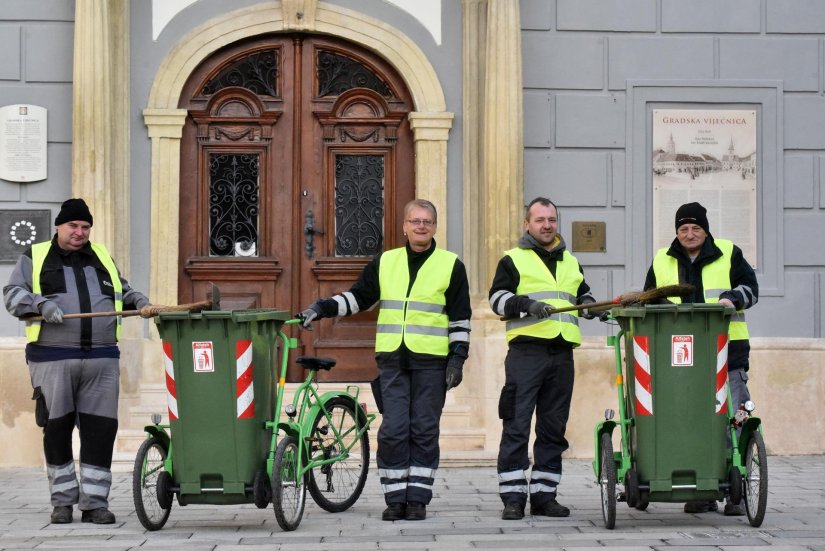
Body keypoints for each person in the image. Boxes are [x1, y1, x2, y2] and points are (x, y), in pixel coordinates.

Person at [299, 199, 471, 522]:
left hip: (432, 362)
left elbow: (460, 319)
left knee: (423, 428)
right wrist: (320, 308)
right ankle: (394, 499)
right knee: (393, 429)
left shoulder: (451, 265)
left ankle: (417, 499)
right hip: (392, 360)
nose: (421, 226)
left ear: (435, 227)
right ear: (404, 226)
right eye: (415, 221)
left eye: (427, 221)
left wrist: (457, 360)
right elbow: (358, 298)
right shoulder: (386, 262)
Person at [4, 198, 158, 525]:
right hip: (52, 357)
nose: (79, 232)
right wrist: (40, 304)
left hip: (102, 357)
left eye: (85, 227)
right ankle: (62, 502)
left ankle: (95, 504)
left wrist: (138, 300)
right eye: (73, 226)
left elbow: (121, 290)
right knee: (57, 429)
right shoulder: (36, 256)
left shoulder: (101, 256)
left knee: (100, 431)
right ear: (59, 226)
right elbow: (12, 294)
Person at [489, 197, 604, 520]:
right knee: (517, 425)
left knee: (553, 427)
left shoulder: (570, 261)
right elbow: (497, 300)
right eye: (540, 220)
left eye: (551, 219)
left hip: (562, 353)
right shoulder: (512, 260)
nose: (547, 225)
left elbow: (581, 294)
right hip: (527, 352)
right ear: (527, 224)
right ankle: (513, 497)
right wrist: (526, 304)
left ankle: (544, 495)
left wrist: (591, 305)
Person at [644, 201, 758, 516]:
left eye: (696, 228)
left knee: (737, 419)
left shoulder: (728, 252)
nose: (690, 234)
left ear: (705, 230)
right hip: (681, 362)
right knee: (692, 423)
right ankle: (703, 490)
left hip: (728, 355)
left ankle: (739, 489)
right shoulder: (662, 260)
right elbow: (648, 298)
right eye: (683, 228)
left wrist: (732, 299)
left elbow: (751, 288)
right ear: (676, 231)